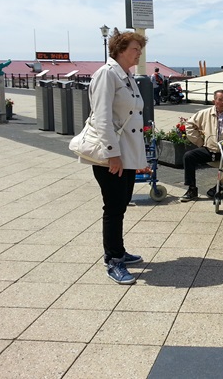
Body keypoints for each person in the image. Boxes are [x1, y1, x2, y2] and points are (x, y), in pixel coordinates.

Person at [86, 28, 148, 285]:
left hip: (127, 154)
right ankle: (113, 261)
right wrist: (113, 155)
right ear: (120, 50)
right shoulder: (107, 74)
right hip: (113, 155)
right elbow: (102, 118)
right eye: (135, 48)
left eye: (139, 49)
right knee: (113, 207)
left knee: (121, 205)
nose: (139, 53)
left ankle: (118, 251)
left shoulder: (127, 76)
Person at [180, 89, 223, 202]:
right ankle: (192, 189)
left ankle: (220, 186)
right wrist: (200, 142)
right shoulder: (205, 113)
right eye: (220, 99)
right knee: (188, 156)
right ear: (214, 101)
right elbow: (189, 125)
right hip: (210, 149)